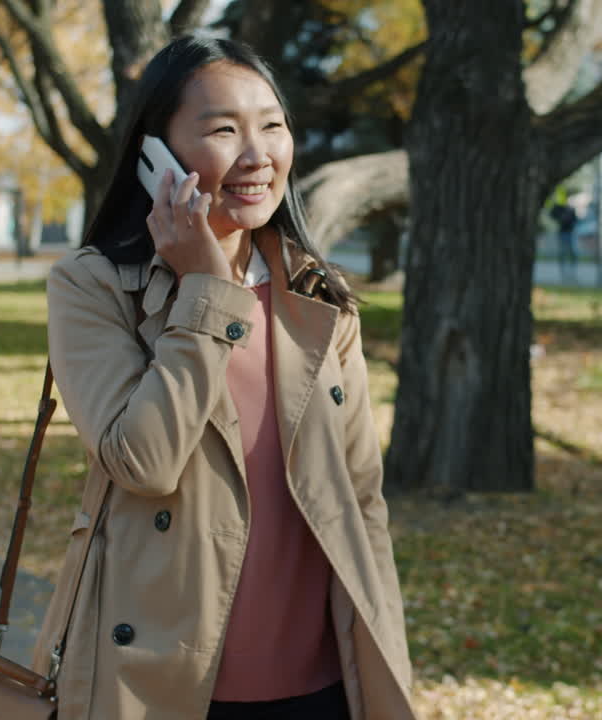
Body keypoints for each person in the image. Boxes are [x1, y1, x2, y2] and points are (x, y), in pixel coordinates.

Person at [31, 35, 415, 720]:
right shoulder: (94, 287)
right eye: (223, 131)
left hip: (324, 689)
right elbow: (142, 461)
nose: (257, 155)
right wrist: (206, 292)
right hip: (163, 691)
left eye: (272, 125)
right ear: (156, 154)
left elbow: (361, 502)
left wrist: (387, 657)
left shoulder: (319, 297)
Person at [550, 198, 579, 281]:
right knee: (563, 252)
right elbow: (553, 215)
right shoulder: (560, 208)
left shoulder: (571, 209)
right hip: (563, 232)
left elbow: (575, 219)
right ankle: (563, 272)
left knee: (572, 252)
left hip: (571, 232)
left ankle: (572, 271)